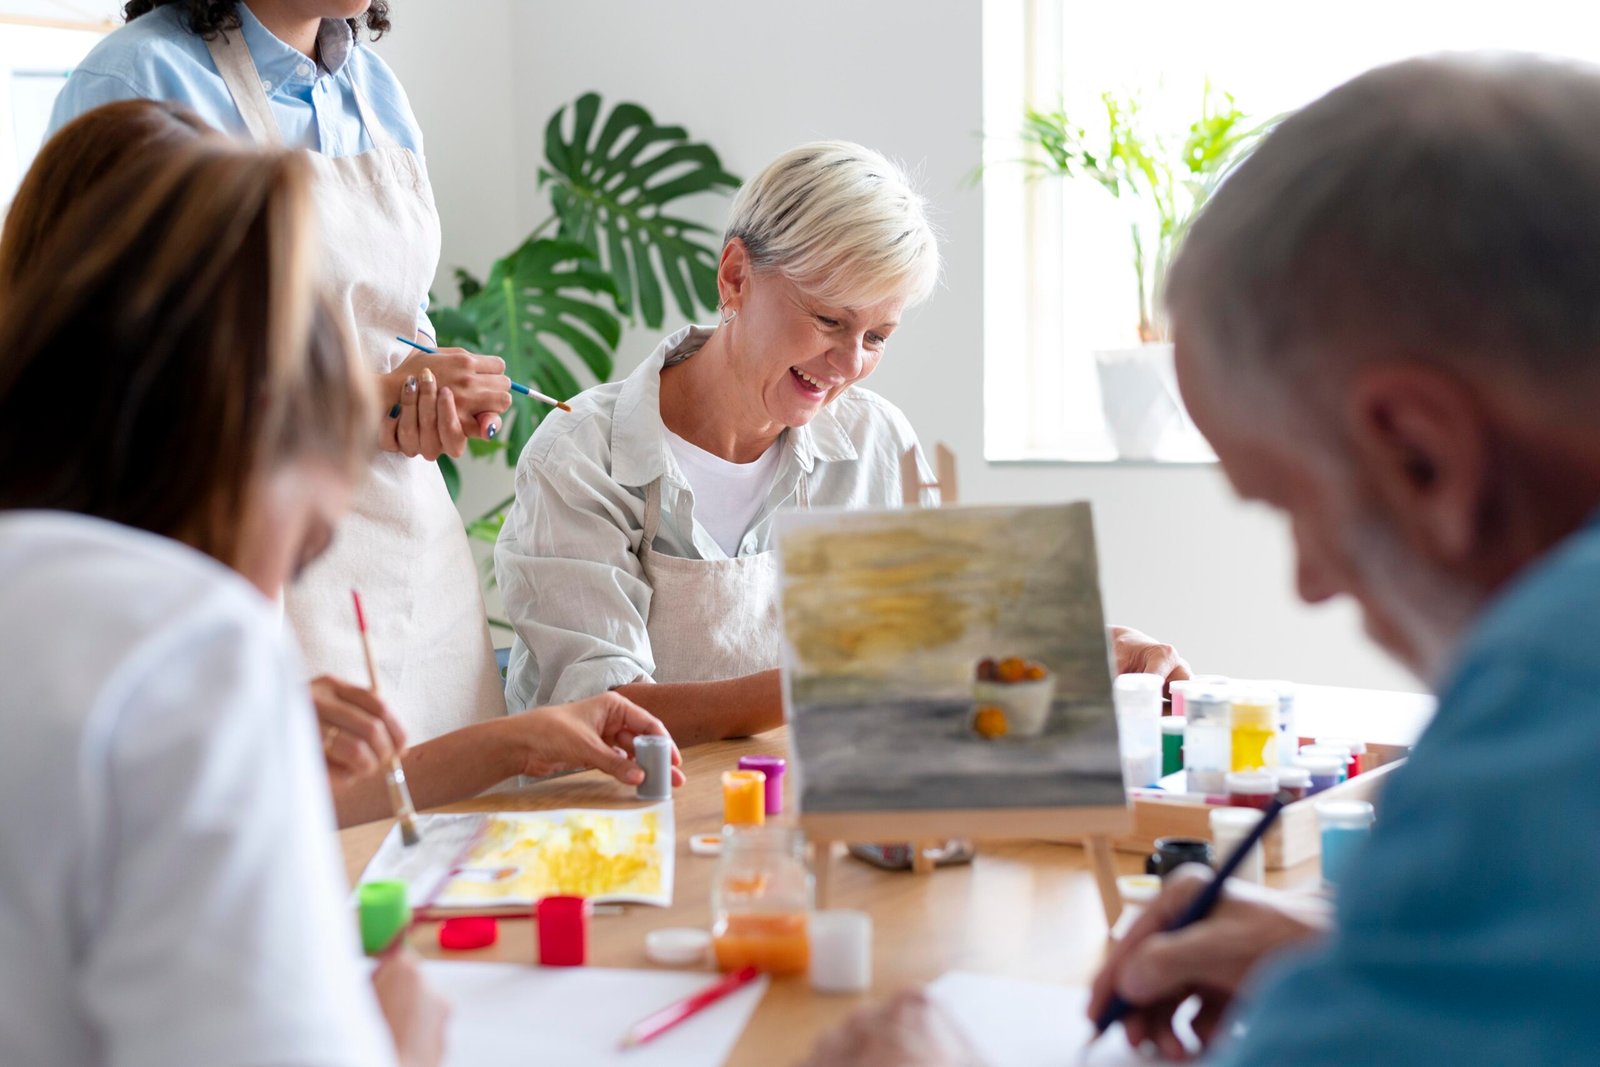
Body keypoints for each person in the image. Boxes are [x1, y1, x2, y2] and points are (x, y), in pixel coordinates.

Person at [803, 52, 1600, 1065]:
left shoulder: (1552, 690)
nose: (1309, 579)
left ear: (1422, 450)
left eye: (1291, 504)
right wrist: (1359, 958)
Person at [0, 135, 681, 1065]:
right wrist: (391, 1042)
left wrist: (515, 739)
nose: (273, 586)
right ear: (239, 439)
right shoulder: (185, 650)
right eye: (310, 539)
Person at [497, 141, 1190, 745]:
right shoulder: (582, 457)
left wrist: (1079, 652)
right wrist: (835, 681)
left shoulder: (875, 442)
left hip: (787, 823)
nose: (850, 363)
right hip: (609, 838)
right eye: (830, 320)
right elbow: (601, 713)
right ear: (736, 276)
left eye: (878, 336)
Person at [49, 0, 516, 750]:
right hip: (252, 547)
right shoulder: (137, 77)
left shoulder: (377, 90)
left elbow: (398, 320)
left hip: (411, 561)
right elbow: (118, 382)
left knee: (464, 845)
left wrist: (429, 385)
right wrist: (363, 399)